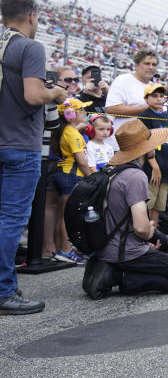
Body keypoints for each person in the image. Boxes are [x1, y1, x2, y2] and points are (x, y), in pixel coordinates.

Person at [0, 0, 68, 315]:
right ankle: (3, 292)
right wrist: (55, 92)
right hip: (19, 146)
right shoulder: (30, 47)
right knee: (11, 221)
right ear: (31, 17)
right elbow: (32, 94)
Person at [81, 119, 168, 300]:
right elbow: (140, 228)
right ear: (144, 148)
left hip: (106, 245)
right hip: (124, 250)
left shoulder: (112, 171)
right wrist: (149, 234)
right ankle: (116, 276)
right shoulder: (136, 176)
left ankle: (109, 267)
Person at [50, 97, 95, 264]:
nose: (85, 113)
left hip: (65, 173)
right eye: (82, 110)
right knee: (67, 216)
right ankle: (66, 250)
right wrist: (91, 178)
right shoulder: (72, 133)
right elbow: (82, 161)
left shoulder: (67, 131)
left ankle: (63, 248)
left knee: (63, 215)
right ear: (71, 115)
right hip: (71, 175)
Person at [140, 84, 168, 227]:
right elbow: (144, 144)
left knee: (158, 205)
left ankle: (153, 232)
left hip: (165, 165)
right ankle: (145, 235)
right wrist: (154, 166)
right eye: (154, 96)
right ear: (146, 99)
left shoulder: (167, 117)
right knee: (147, 204)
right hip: (151, 168)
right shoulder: (144, 116)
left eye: (161, 96)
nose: (159, 99)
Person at [104, 49, 159, 143]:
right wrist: (145, 109)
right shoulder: (123, 80)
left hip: (144, 145)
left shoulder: (154, 87)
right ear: (136, 65)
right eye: (147, 63)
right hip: (120, 144)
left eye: (154, 65)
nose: (151, 67)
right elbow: (111, 109)